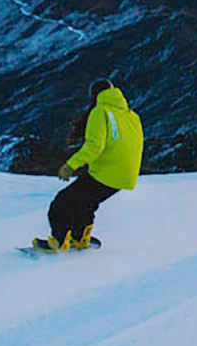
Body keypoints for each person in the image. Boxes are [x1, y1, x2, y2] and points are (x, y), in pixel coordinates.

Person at [40, 78, 143, 249]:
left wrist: (70, 165)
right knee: (84, 203)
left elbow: (94, 146)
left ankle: (58, 242)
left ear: (95, 96)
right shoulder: (132, 115)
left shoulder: (100, 112)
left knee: (61, 203)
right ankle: (80, 238)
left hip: (106, 174)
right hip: (126, 176)